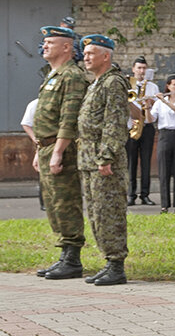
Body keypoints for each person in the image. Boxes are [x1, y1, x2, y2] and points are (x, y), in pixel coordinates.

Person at [32, 25, 89, 280]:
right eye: (45, 42)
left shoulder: (72, 75)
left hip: (62, 149)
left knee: (66, 203)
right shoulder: (53, 75)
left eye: (50, 42)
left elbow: (69, 118)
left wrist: (57, 151)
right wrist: (39, 149)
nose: (45, 46)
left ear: (66, 47)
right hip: (46, 148)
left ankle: (73, 258)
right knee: (53, 205)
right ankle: (64, 254)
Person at [78, 34, 134, 286]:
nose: (85, 57)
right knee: (97, 214)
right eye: (85, 53)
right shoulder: (96, 83)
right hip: (89, 159)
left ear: (106, 56)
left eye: (90, 53)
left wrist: (106, 157)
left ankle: (116, 264)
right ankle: (108, 261)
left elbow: (114, 122)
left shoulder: (113, 83)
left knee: (109, 212)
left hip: (104, 161)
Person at [149, 75, 175, 213]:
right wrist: (146, 107)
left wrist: (165, 101)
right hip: (164, 136)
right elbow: (151, 119)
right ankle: (164, 205)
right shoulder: (158, 103)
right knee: (164, 172)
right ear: (168, 86)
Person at [125, 56, 159, 206]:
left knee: (146, 161)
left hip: (147, 126)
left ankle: (145, 194)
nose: (141, 71)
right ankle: (131, 195)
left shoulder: (152, 87)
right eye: (139, 68)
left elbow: (158, 107)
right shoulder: (127, 85)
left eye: (144, 68)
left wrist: (151, 103)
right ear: (133, 69)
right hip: (131, 127)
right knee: (131, 162)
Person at [21, 97, 45, 212]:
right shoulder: (35, 104)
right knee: (43, 175)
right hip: (43, 142)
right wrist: (35, 139)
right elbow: (26, 123)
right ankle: (44, 202)